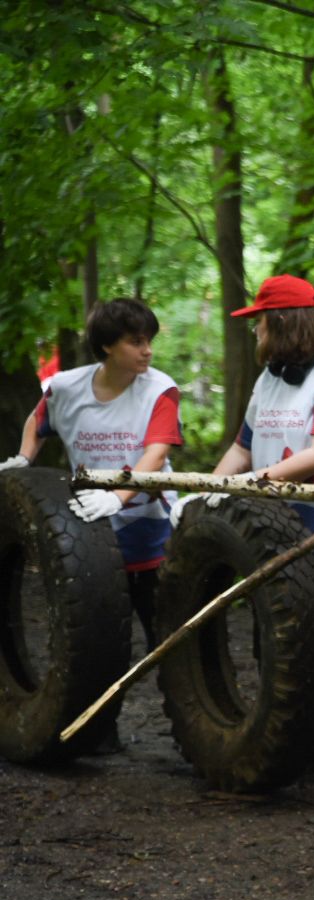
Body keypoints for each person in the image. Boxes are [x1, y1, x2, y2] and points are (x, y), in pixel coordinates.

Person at [178, 275, 314, 793]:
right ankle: (298, 746)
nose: (255, 333)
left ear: (284, 323)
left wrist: (250, 484)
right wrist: (207, 490)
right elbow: (244, 447)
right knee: (282, 641)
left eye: (260, 323)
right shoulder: (268, 377)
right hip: (269, 534)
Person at [3, 298, 182, 752]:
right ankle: (100, 730)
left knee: (168, 636)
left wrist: (118, 496)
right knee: (99, 635)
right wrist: (25, 458)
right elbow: (38, 421)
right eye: (136, 342)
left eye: (149, 341)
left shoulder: (160, 390)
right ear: (106, 346)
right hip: (86, 536)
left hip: (147, 527)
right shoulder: (65, 386)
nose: (147, 351)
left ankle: (190, 727)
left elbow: (157, 453)